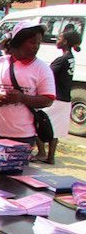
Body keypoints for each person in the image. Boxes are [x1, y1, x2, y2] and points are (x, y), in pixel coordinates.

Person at [0, 20, 55, 147]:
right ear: (19, 42)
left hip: (23, 136)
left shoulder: (42, 69)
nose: (36, 46)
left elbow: (48, 99)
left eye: (38, 43)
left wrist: (22, 98)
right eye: (32, 42)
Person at [34, 29, 81, 164]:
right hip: (65, 98)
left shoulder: (62, 59)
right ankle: (51, 157)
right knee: (55, 128)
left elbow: (47, 75)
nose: (57, 40)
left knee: (37, 122)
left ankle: (41, 152)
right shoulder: (70, 58)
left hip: (56, 98)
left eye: (59, 38)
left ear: (65, 42)